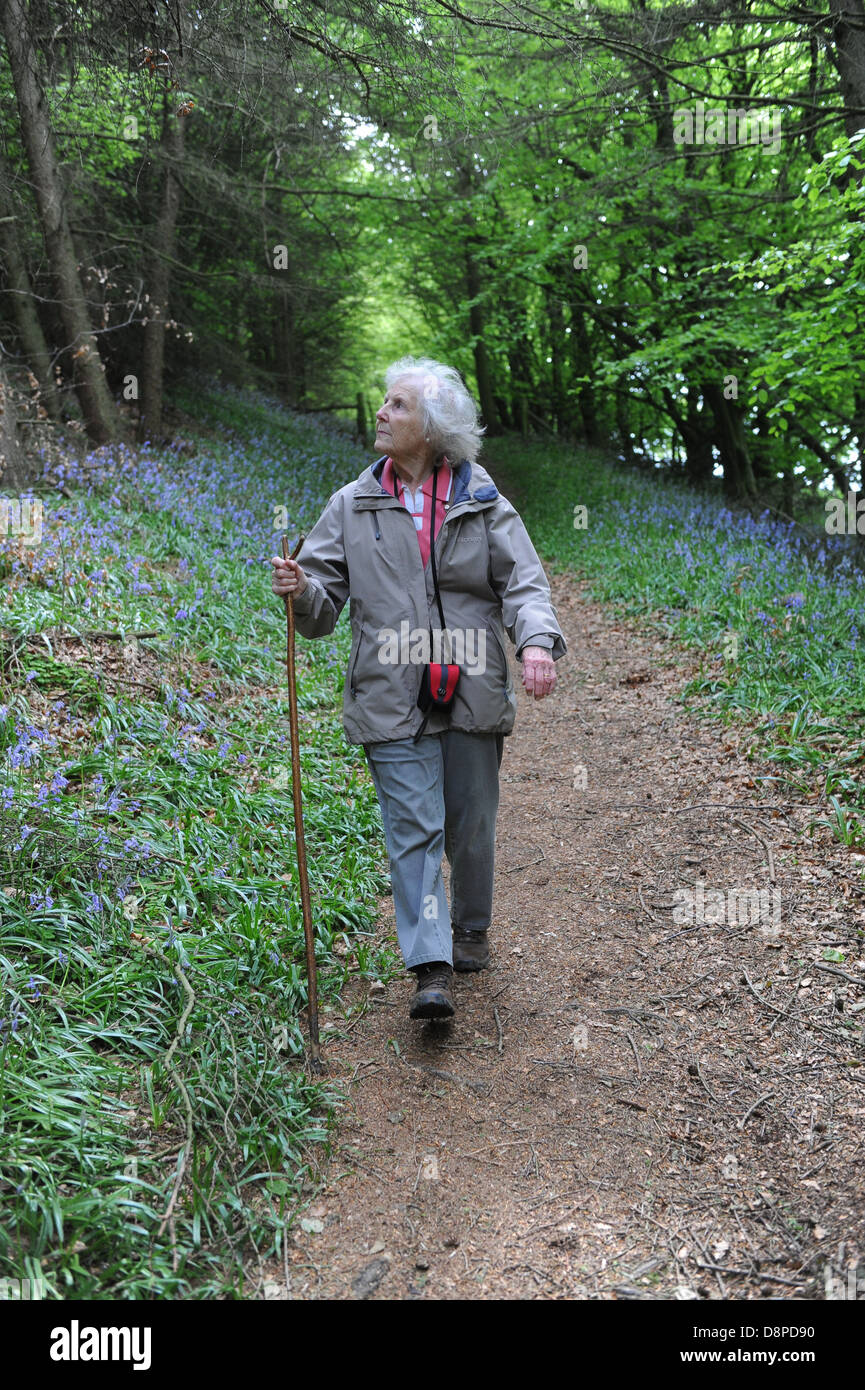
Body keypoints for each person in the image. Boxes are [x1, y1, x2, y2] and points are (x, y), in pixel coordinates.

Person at [271, 356, 565, 1020]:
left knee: (470, 825)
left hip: (470, 679)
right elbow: (320, 611)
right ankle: (429, 966)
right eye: (385, 403)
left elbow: (522, 580)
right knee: (412, 827)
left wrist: (538, 642)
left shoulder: (479, 496)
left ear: (431, 427)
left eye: (398, 405)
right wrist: (299, 591)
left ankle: (468, 931)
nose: (381, 412)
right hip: (388, 685)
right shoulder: (352, 503)